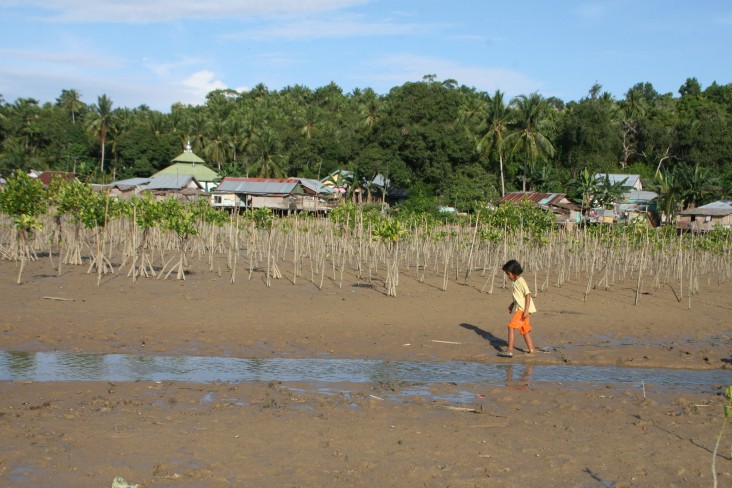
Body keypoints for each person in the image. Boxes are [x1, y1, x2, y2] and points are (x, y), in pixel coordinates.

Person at [497, 259, 536, 358]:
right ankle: (532, 350)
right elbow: (518, 296)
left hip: (522, 310)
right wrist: (511, 304)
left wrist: (526, 310)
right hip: (522, 308)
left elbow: (527, 295)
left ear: (512, 273)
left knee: (511, 326)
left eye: (507, 274)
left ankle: (510, 350)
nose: (507, 276)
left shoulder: (521, 281)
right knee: (524, 329)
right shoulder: (516, 281)